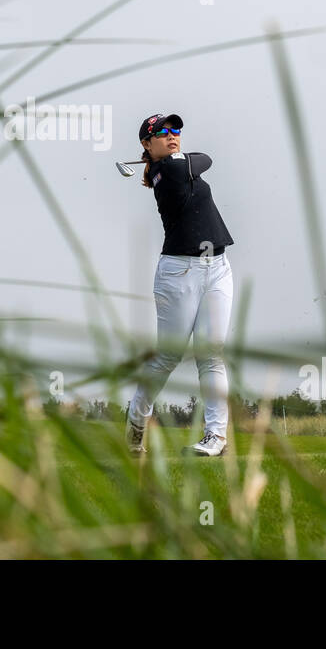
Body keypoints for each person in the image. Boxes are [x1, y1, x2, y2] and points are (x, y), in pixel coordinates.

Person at [125, 113, 235, 457]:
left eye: (176, 130)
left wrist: (165, 156)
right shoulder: (165, 171)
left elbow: (203, 160)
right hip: (179, 274)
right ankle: (135, 424)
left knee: (211, 354)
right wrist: (164, 160)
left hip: (218, 268)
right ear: (146, 144)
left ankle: (215, 437)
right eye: (162, 132)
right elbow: (206, 159)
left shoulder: (171, 165)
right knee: (167, 358)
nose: (173, 135)